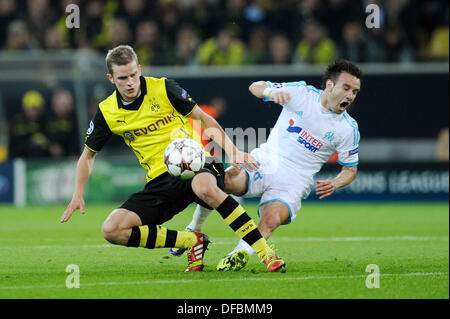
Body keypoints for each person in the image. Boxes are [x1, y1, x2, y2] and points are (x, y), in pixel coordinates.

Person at [60, 45, 285, 273]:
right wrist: (77, 193)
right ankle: (191, 241)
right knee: (112, 229)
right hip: (161, 180)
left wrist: (233, 150)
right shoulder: (107, 112)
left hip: (197, 163)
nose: (130, 82)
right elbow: (87, 155)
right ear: (111, 78)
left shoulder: (163, 88)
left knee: (204, 186)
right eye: (122, 78)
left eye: (133, 75)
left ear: (139, 69)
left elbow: (203, 119)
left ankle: (265, 251)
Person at [179, 60, 362, 271]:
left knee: (272, 219)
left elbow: (350, 169)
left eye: (355, 91)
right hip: (266, 160)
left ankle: (240, 253)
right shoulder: (302, 93)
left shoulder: (348, 129)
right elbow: (254, 87)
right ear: (329, 85)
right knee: (222, 181)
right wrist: (270, 91)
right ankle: (195, 228)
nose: (350, 95)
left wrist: (336, 183)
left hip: (295, 181)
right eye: (346, 88)